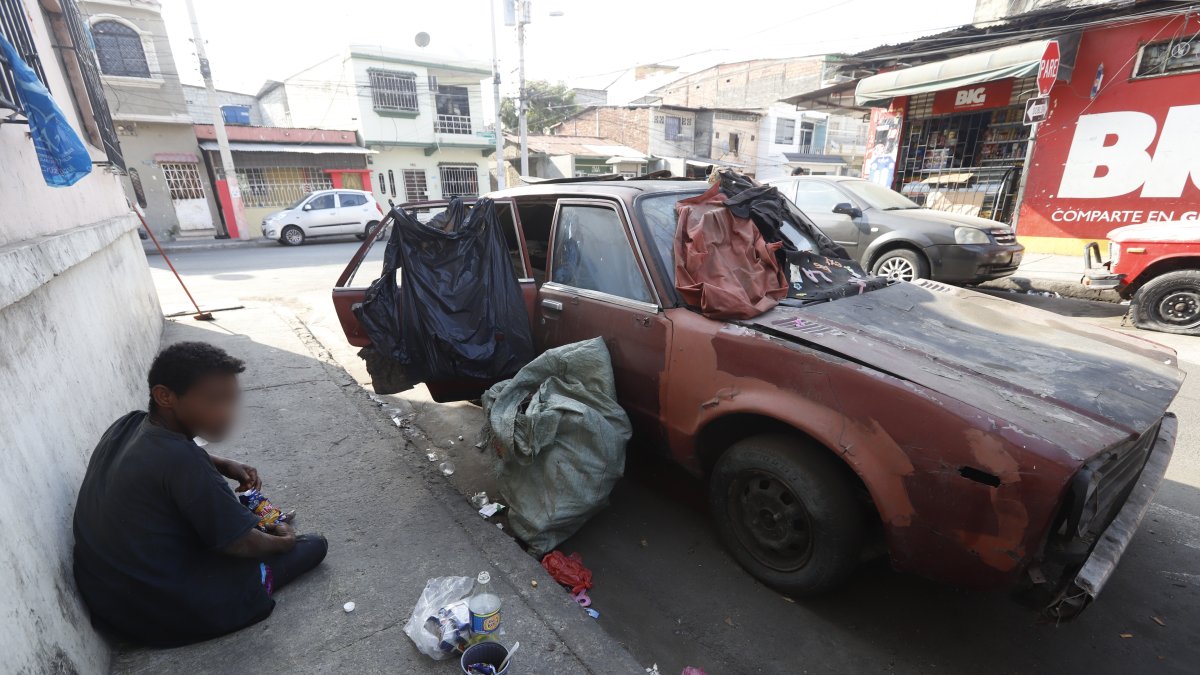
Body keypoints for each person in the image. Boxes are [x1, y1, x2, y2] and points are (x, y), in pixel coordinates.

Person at [73, 341, 328, 646]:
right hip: (160, 612)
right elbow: (239, 543)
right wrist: (283, 542)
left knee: (235, 519)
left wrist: (221, 462)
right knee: (313, 545)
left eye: (230, 401)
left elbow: (162, 460)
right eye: (213, 401)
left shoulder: (128, 424)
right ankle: (256, 580)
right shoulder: (183, 461)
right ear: (165, 396)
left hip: (108, 596)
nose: (226, 414)